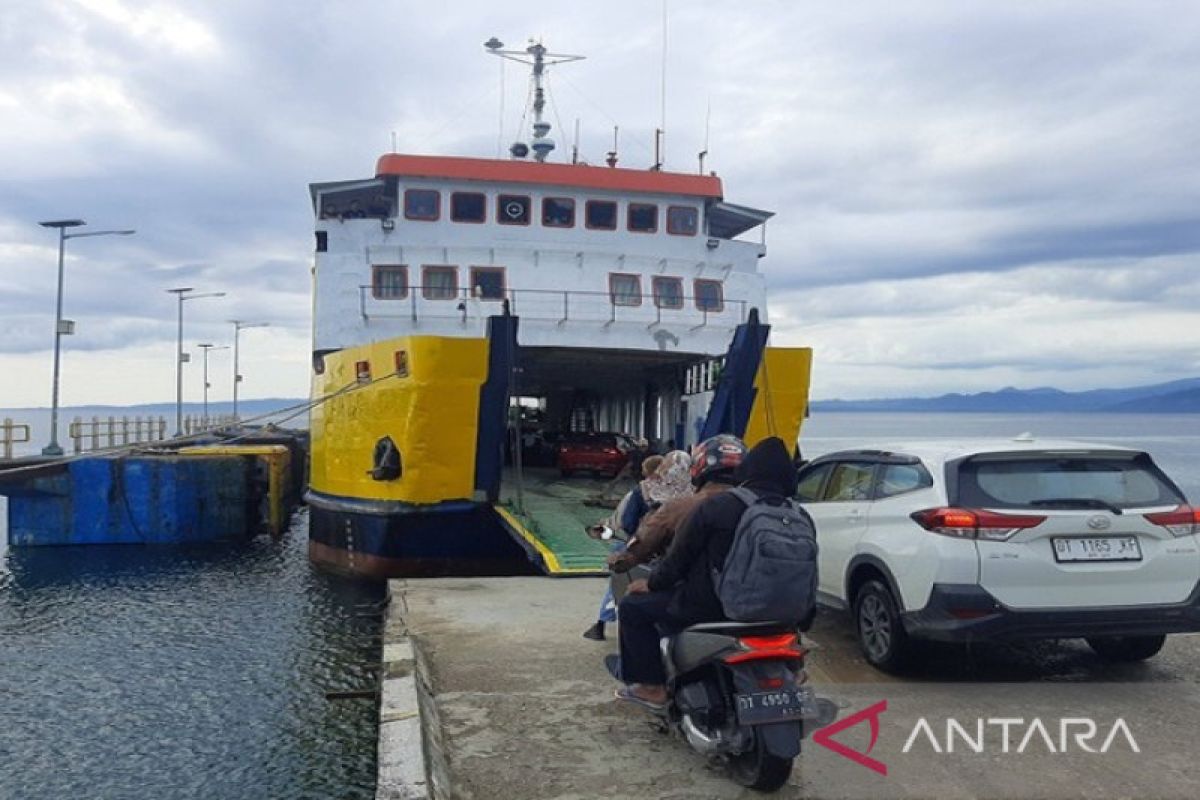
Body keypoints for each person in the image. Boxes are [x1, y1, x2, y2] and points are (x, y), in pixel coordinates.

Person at [613, 436, 798, 710]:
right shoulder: (787, 509)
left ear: (700, 468)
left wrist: (648, 580)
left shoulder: (694, 505)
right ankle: (795, 671)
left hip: (710, 606)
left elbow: (677, 560)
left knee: (632, 607)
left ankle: (651, 688)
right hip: (779, 609)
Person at [608, 438, 744, 574]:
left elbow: (643, 541)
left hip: (692, 586)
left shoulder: (677, 508)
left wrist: (622, 559)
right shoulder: (756, 504)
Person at [581, 454, 666, 641]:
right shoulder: (677, 492)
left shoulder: (639, 492)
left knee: (617, 585)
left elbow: (627, 523)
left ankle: (601, 625)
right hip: (660, 549)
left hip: (632, 546)